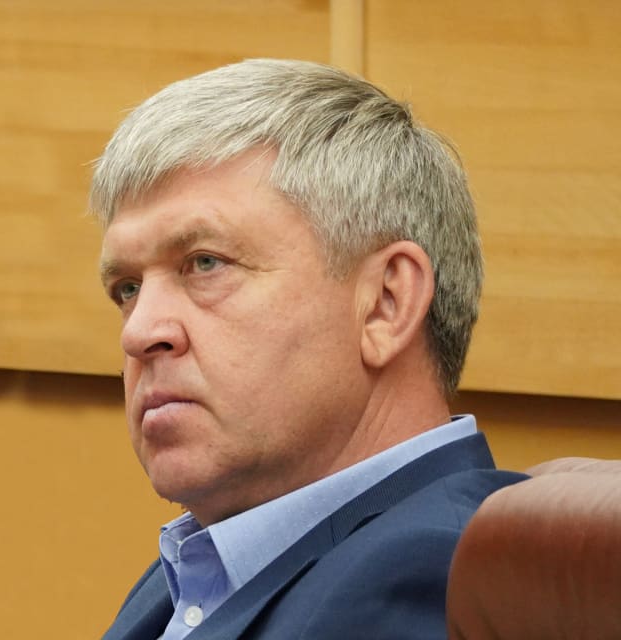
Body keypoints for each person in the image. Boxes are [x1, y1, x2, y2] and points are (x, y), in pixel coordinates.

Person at [90, 59, 526, 640]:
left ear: (386, 304)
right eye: (127, 289)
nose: (139, 332)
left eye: (205, 264)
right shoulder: (206, 563)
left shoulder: (427, 582)